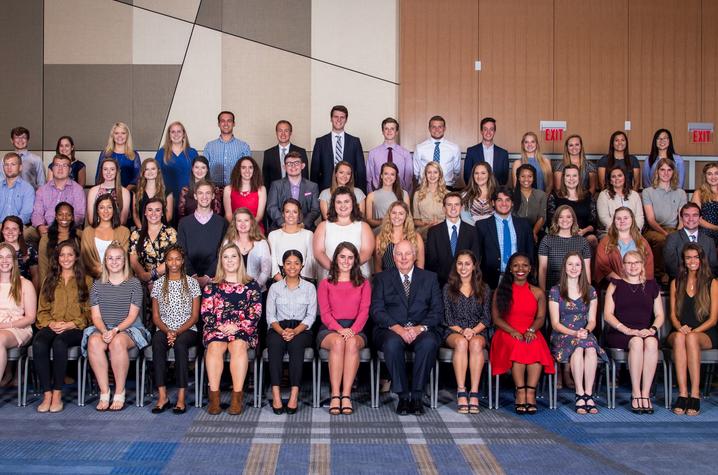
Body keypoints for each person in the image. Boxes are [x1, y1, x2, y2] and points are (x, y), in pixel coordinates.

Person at [370, 240, 442, 416]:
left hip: (421, 329)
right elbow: (376, 310)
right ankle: (402, 396)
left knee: (428, 344)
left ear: (415, 255)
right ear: (393, 258)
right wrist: (398, 328)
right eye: (399, 254)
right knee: (392, 345)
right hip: (391, 329)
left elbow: (437, 311)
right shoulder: (382, 278)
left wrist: (419, 328)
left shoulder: (429, 278)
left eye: (407, 253)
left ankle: (417, 396)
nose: (403, 258)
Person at [83, 243, 149, 411]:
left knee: (117, 342)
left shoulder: (134, 284)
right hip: (104, 327)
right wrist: (105, 331)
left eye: (118, 258)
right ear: (105, 261)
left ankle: (119, 392)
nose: (114, 262)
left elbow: (132, 316)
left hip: (129, 328)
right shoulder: (97, 284)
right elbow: (96, 316)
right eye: (110, 258)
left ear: (124, 261)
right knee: (94, 342)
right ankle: (104, 392)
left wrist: (115, 330)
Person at [490, 252, 554, 414]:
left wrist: (532, 329)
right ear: (510, 269)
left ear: (530, 269)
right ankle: (520, 392)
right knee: (518, 345)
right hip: (507, 332)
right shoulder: (502, 290)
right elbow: (496, 319)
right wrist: (512, 331)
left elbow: (540, 317)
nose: (520, 269)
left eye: (525, 265)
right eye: (516, 265)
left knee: (535, 345)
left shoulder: (537, 292)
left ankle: (530, 392)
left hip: (530, 330)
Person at [202, 243, 262, 415]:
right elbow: (206, 312)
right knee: (214, 347)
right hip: (217, 326)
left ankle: (237, 398)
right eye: (225, 257)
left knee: (238, 347)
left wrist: (237, 326)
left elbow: (256, 312)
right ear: (221, 260)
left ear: (240, 259)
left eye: (233, 256)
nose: (229, 260)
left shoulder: (251, 284)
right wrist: (220, 326)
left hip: (243, 328)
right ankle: (214, 398)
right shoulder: (212, 285)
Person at [33, 241, 92, 413]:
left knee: (60, 343)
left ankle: (57, 393)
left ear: (76, 257)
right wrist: (51, 323)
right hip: (53, 324)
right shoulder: (49, 280)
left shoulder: (86, 280)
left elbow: (90, 312)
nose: (66, 258)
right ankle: (47, 393)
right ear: (57, 258)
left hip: (76, 327)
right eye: (62, 255)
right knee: (39, 343)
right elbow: (42, 311)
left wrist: (72, 324)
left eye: (70, 254)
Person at [603, 250, 664, 413]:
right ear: (623, 266)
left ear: (642, 265)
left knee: (651, 342)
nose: (633, 266)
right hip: (621, 332)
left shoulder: (652, 285)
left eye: (636, 262)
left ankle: (646, 393)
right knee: (636, 342)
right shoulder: (615, 284)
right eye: (629, 263)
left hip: (645, 331)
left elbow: (659, 315)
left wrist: (652, 329)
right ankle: (636, 392)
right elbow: (608, 315)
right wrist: (627, 330)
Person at [548, 252, 607, 414]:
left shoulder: (590, 290)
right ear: (565, 267)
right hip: (563, 334)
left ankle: (589, 394)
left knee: (590, 348)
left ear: (582, 268)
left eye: (577, 265)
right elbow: (555, 323)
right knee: (579, 348)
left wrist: (585, 331)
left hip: (584, 333)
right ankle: (579, 393)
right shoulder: (555, 291)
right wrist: (574, 333)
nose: (574, 268)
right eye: (570, 264)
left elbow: (593, 321)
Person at [317, 242, 371, 415]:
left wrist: (353, 330)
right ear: (336, 259)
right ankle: (335, 395)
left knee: (352, 344)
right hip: (330, 329)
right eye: (342, 257)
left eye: (350, 257)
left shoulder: (363, 283)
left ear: (355, 261)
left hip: (357, 328)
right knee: (339, 343)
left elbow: (364, 312)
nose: (346, 261)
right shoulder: (325, 284)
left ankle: (346, 395)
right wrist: (340, 329)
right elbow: (325, 314)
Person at [667, 244, 718, 416]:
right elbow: (673, 315)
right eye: (688, 257)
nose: (692, 261)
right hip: (680, 331)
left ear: (701, 259)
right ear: (684, 260)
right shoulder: (676, 283)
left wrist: (694, 331)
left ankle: (695, 394)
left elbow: (713, 319)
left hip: (705, 332)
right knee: (682, 338)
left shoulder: (712, 283)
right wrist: (680, 328)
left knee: (690, 338)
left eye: (696, 257)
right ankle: (682, 394)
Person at [150, 245, 200, 414]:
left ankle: (180, 397)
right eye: (170, 259)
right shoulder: (157, 284)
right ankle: (162, 396)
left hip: (187, 329)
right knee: (157, 342)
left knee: (180, 345)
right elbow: (156, 317)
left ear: (182, 261)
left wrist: (176, 332)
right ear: (165, 261)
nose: (173, 263)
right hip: (164, 328)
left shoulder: (192, 283)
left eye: (177, 259)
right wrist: (168, 331)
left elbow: (194, 316)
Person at [266, 250, 316, 414]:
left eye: (296, 263)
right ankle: (277, 395)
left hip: (301, 328)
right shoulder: (275, 288)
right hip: (278, 328)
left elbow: (310, 316)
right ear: (282, 266)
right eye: (288, 263)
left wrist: (295, 331)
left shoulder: (309, 288)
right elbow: (270, 316)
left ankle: (294, 395)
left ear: (302, 266)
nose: (292, 266)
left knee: (296, 347)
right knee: (274, 345)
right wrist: (282, 331)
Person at [443, 250, 491, 414]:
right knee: (462, 343)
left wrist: (473, 331)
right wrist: (464, 331)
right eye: (460, 263)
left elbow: (486, 318)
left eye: (467, 264)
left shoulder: (484, 289)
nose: (463, 267)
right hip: (454, 331)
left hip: (478, 330)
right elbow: (447, 318)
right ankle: (461, 390)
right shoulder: (448, 288)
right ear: (455, 266)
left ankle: (474, 392)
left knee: (476, 343)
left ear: (474, 266)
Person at [129, 198, 178, 327]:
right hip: (141, 280)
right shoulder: (136, 233)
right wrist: (144, 276)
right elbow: (132, 258)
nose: (153, 213)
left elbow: (172, 259)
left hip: (165, 279)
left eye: (157, 210)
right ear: (144, 212)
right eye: (150, 210)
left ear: (162, 213)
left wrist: (153, 276)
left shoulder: (171, 233)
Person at [475, 187, 535, 289]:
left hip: (519, 277)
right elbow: (477, 256)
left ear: (512, 203)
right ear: (493, 202)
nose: (504, 204)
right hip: (491, 280)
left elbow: (530, 254)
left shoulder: (524, 224)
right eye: (500, 200)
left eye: (508, 200)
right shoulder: (482, 225)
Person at [314, 187, 374, 280]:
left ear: (353, 203)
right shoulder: (323, 226)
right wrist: (335, 270)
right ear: (333, 204)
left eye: (346, 201)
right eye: (339, 202)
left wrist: (348, 270)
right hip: (330, 275)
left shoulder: (364, 226)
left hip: (358, 276)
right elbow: (319, 252)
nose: (343, 205)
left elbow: (366, 252)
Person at [642, 158, 687, 283]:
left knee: (681, 240)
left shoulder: (680, 193)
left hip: (674, 229)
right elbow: (651, 220)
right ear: (657, 172)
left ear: (673, 172)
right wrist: (666, 234)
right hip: (654, 229)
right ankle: (660, 274)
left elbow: (682, 217)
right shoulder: (648, 192)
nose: (666, 173)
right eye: (662, 169)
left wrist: (678, 232)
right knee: (663, 240)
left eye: (669, 170)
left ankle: (679, 274)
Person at [0, 243, 36, 395]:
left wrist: (6, 324)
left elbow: (30, 318)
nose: (4, 260)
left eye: (8, 257)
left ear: (14, 260)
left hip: (17, 327)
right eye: (0, 257)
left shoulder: (25, 284)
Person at [177, 181, 228, 288]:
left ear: (213, 196)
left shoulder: (222, 223)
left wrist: (207, 276)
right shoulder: (184, 223)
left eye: (208, 193)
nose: (204, 197)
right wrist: (193, 275)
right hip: (189, 280)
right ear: (195, 196)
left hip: (215, 279)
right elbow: (181, 253)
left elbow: (223, 253)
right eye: (200, 193)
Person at [426, 192, 480, 288]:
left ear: (462, 207)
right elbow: (431, 262)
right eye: (449, 205)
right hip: (440, 285)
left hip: (466, 285)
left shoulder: (472, 231)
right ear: (444, 209)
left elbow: (475, 259)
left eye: (456, 204)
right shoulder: (433, 232)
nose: (453, 208)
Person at [310, 105, 367, 193]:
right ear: (331, 119)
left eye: (342, 117)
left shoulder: (355, 142)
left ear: (346, 120)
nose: (339, 120)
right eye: (336, 117)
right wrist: (314, 194)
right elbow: (315, 172)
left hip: (350, 190)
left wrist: (362, 193)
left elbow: (360, 171)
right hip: (326, 190)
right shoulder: (320, 142)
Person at [538, 206, 592, 293]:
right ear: (556, 219)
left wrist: (588, 293)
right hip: (552, 290)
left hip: (577, 291)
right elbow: (542, 269)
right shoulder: (547, 240)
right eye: (561, 217)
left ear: (573, 219)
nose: (564, 220)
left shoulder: (583, 242)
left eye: (568, 217)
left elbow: (586, 271)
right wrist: (542, 293)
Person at [31, 154, 86, 239]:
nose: (60, 168)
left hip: (69, 228)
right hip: (45, 227)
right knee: (27, 234)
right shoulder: (42, 190)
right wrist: (40, 226)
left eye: (64, 165)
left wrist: (63, 227)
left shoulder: (77, 189)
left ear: (70, 170)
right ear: (52, 169)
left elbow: (79, 215)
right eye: (57, 165)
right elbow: (37, 213)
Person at [594, 207, 654, 286]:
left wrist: (639, 283)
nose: (622, 221)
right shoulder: (605, 242)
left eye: (626, 218)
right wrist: (622, 284)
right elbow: (603, 266)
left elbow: (648, 266)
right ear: (614, 221)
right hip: (616, 284)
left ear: (632, 220)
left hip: (640, 284)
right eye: (618, 218)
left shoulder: (642, 242)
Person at [266, 151, 320, 231]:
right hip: (280, 227)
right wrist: (283, 223)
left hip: (305, 228)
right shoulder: (276, 185)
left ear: (302, 166)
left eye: (296, 163)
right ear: (284, 167)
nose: (293, 166)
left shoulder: (312, 186)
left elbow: (315, 209)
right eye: (289, 164)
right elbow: (271, 207)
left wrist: (303, 224)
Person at [546, 164, 597, 247]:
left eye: (574, 176)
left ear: (579, 178)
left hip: (583, 235)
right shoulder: (554, 196)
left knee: (592, 239)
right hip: (561, 234)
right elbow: (551, 222)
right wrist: (566, 232)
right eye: (568, 176)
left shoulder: (588, 196)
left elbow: (593, 223)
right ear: (563, 178)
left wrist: (583, 231)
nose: (571, 179)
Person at [80, 194, 130, 279]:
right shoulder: (87, 232)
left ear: (114, 210)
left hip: (118, 278)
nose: (105, 211)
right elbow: (85, 258)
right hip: (93, 278)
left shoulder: (124, 231)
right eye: (102, 207)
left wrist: (110, 272)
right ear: (97, 211)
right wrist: (99, 271)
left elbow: (123, 256)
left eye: (109, 207)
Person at [664, 203, 718, 280]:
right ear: (681, 218)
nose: (691, 219)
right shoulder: (672, 238)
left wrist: (702, 282)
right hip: (680, 284)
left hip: (705, 285)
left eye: (695, 215)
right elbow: (670, 268)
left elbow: (714, 268)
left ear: (700, 218)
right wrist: (690, 282)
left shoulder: (709, 241)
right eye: (686, 215)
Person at [223, 208, 271, 292]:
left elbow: (266, 271)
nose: (243, 224)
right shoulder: (228, 242)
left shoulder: (261, 243)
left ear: (251, 222)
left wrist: (254, 288)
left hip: (257, 291)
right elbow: (223, 266)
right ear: (234, 223)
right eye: (239, 221)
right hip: (232, 291)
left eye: (246, 220)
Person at [267, 199, 315, 282]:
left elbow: (310, 260)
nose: (291, 215)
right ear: (283, 214)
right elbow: (273, 262)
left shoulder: (308, 234)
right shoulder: (273, 235)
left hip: (303, 279)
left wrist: (299, 283)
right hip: (280, 279)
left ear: (299, 214)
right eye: (287, 211)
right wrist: (283, 283)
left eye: (295, 212)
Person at [155, 121, 198, 212]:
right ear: (169, 135)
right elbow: (155, 175)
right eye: (173, 132)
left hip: (188, 197)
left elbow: (199, 176)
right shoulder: (161, 153)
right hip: (167, 196)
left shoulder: (192, 153)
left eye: (179, 131)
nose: (176, 134)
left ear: (183, 134)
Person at [203, 111, 251, 187]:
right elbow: (203, 169)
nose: (226, 124)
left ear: (234, 124)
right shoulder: (209, 146)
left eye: (229, 121)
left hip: (236, 189)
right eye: (223, 121)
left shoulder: (244, 146)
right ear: (218, 124)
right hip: (213, 190)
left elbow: (248, 171)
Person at [38, 202, 82, 285]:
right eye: (60, 214)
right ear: (56, 216)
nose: (64, 217)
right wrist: (44, 287)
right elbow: (42, 266)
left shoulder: (80, 236)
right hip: (53, 281)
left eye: (68, 214)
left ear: (72, 217)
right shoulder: (46, 238)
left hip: (75, 280)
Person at [413, 116, 462, 190]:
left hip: (446, 186)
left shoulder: (454, 148)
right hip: (425, 187)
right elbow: (416, 173)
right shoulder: (420, 148)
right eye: (433, 127)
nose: (437, 130)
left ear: (444, 128)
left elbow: (457, 171)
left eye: (440, 127)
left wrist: (448, 181)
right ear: (429, 128)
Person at [374, 201, 424, 272]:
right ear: (389, 215)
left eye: (401, 213)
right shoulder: (380, 238)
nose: (397, 216)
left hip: (410, 280)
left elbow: (420, 266)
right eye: (394, 213)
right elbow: (377, 266)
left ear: (406, 216)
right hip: (387, 279)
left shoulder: (416, 237)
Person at [366, 117, 413, 193]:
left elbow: (408, 179)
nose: (389, 131)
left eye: (392, 129)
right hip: (378, 193)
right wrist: (372, 196)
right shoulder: (373, 153)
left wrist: (405, 197)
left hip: (399, 194)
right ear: (382, 131)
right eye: (386, 129)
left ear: (396, 132)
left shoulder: (405, 154)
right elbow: (369, 178)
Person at [596, 166, 644, 238]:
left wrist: (633, 230)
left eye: (620, 175)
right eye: (613, 176)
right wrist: (619, 231)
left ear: (624, 178)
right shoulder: (603, 195)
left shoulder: (635, 195)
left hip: (633, 232)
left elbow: (639, 217)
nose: (617, 178)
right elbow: (604, 218)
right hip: (611, 232)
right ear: (610, 181)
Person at [222, 156, 266, 230]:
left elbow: (259, 216)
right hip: (235, 229)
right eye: (243, 167)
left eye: (250, 167)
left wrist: (247, 228)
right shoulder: (228, 189)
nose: (247, 170)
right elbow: (228, 215)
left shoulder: (261, 189)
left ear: (254, 170)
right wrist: (239, 228)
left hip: (255, 229)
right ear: (238, 170)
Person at [464, 117, 510, 186]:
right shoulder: (471, 151)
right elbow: (467, 175)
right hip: (477, 192)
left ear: (494, 131)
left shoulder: (503, 153)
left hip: (496, 192)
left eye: (491, 129)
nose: (488, 132)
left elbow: (504, 178)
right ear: (481, 131)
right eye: (485, 129)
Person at [94, 122, 141, 190]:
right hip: (107, 193)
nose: (120, 136)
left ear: (127, 135)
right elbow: (98, 177)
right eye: (116, 133)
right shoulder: (105, 154)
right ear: (112, 135)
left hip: (128, 192)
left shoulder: (134, 155)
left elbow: (138, 177)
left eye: (123, 133)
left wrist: (125, 191)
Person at [262, 120, 309, 186]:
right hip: (275, 192)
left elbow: (305, 177)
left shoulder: (301, 152)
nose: (283, 134)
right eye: (280, 131)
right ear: (276, 133)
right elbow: (265, 179)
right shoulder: (268, 154)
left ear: (290, 133)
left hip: (296, 192)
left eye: (286, 131)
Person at [86, 157, 131, 225]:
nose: (108, 172)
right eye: (105, 169)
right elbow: (91, 219)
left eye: (112, 169)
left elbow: (123, 220)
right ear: (101, 171)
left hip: (117, 230)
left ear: (117, 171)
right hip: (97, 229)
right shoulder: (93, 191)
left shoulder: (124, 192)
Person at [0, 216, 39, 293]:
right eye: (7, 228)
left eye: (14, 229)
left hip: (23, 291)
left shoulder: (29, 250)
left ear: (20, 231)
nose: (10, 232)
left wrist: (33, 295)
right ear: (2, 231)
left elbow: (35, 276)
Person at [365, 162, 410, 228]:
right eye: (386, 174)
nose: (389, 177)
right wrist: (385, 222)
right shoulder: (371, 196)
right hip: (380, 231)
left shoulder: (404, 194)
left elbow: (408, 218)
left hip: (399, 231)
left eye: (392, 174)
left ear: (395, 178)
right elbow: (369, 220)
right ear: (381, 176)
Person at [132, 158, 173, 228]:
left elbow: (169, 216)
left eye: (153, 169)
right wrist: (142, 230)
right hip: (141, 229)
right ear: (143, 172)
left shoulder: (167, 192)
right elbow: (135, 215)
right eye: (146, 169)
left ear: (158, 171)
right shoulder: (136, 192)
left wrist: (155, 230)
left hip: (162, 230)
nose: (150, 172)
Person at [511, 164, 547, 244]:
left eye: (530, 176)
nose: (526, 179)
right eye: (523, 176)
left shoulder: (541, 195)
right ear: (518, 178)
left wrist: (533, 232)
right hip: (515, 231)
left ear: (534, 178)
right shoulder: (511, 194)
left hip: (536, 230)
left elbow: (542, 217)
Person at [412, 161, 447, 239]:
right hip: (423, 231)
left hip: (443, 230)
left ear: (440, 175)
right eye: (429, 172)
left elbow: (453, 218)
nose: (432, 175)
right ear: (425, 175)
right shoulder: (418, 194)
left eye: (435, 172)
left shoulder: (448, 194)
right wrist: (427, 223)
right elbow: (415, 220)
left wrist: (439, 224)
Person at [0, 152, 34, 225]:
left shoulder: (28, 189)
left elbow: (26, 215)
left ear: (20, 167)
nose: (9, 168)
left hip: (19, 226)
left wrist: (10, 226)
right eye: (6, 165)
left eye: (13, 164)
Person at [690, 162, 718, 246]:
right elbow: (695, 219)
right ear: (705, 176)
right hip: (705, 230)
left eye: (716, 173)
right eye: (709, 174)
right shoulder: (698, 193)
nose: (713, 177)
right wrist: (716, 228)